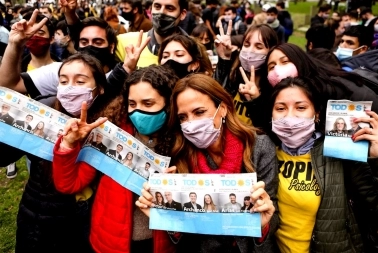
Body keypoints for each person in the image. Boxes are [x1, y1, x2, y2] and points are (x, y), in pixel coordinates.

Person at [136, 73, 278, 252]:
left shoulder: (259, 146)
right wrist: (166, 212)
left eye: (199, 112)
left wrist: (263, 224)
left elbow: (272, 211)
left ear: (223, 109)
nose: (190, 123)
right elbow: (181, 234)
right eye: (183, 117)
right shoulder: (180, 156)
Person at [53, 65, 179, 253]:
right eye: (132, 104)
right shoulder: (111, 135)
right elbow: (68, 184)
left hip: (159, 244)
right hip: (109, 241)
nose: (138, 112)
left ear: (169, 103)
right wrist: (68, 145)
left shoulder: (182, 143)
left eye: (148, 103)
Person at [0, 53, 107, 253]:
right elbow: (3, 156)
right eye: (63, 81)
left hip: (88, 223)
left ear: (99, 88)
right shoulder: (42, 111)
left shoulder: (108, 122)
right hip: (41, 220)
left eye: (80, 81)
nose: (69, 88)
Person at [271, 77, 378, 252]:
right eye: (280, 108)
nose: (289, 116)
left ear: (317, 115)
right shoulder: (266, 153)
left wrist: (377, 159)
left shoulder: (340, 153)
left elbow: (375, 204)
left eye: (301, 107)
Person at [0, 9, 120, 107]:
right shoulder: (60, 71)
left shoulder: (124, 77)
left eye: (97, 42)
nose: (90, 46)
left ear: (111, 47)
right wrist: (14, 45)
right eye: (84, 42)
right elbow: (8, 85)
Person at [264, 43, 378, 129]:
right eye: (272, 66)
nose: (277, 70)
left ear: (300, 62)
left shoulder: (332, 89)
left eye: (285, 62)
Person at [214, 24, 278, 129]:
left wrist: (256, 101)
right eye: (247, 45)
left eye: (258, 46)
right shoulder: (234, 77)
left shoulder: (273, 90)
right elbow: (215, 98)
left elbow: (269, 130)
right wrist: (224, 60)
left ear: (270, 52)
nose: (250, 51)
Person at [115, 0, 189, 66]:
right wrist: (125, 70)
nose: (161, 12)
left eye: (169, 8)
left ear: (182, 14)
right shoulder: (124, 42)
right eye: (157, 6)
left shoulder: (193, 50)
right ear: (151, 10)